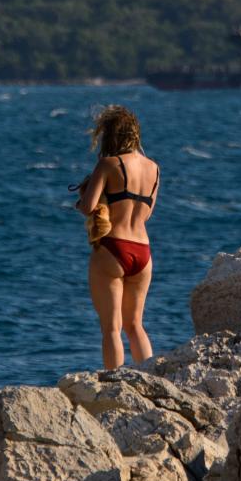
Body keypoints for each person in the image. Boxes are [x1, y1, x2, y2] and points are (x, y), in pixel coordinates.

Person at [73, 105, 160, 369]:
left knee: (111, 328)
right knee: (135, 326)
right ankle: (152, 379)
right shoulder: (154, 169)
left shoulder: (108, 164)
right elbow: (147, 213)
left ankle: (114, 383)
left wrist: (85, 198)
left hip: (113, 248)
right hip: (143, 252)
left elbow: (88, 207)